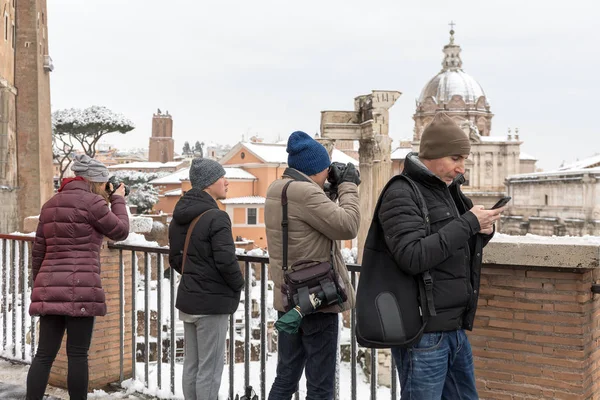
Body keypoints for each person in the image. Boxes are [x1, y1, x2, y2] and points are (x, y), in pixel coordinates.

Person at [378, 113, 504, 399]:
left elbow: (454, 246)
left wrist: (482, 230)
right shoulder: (401, 193)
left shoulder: (449, 192)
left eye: (465, 160)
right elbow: (412, 256)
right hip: (423, 333)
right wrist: (469, 223)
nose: (461, 169)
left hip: (455, 328)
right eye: (456, 159)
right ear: (433, 154)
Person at [265, 131, 360, 400]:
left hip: (288, 298)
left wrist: (326, 188)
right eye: (326, 168)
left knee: (286, 377)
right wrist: (347, 186)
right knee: (320, 385)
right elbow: (348, 225)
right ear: (317, 168)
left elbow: (308, 219)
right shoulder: (306, 194)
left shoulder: (278, 188)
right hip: (317, 300)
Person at [26, 155, 130, 400]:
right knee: (78, 354)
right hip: (83, 287)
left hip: (49, 286)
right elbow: (121, 231)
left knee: (44, 354)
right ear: (95, 182)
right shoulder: (93, 204)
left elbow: (38, 251)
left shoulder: (50, 204)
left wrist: (40, 286)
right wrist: (118, 199)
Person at [168, 158, 244, 400]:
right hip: (212, 303)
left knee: (192, 365)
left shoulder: (179, 214)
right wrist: (239, 284)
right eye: (222, 178)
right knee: (210, 370)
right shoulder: (217, 217)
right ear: (210, 183)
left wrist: (197, 274)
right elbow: (226, 261)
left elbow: (176, 259)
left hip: (189, 298)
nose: (227, 182)